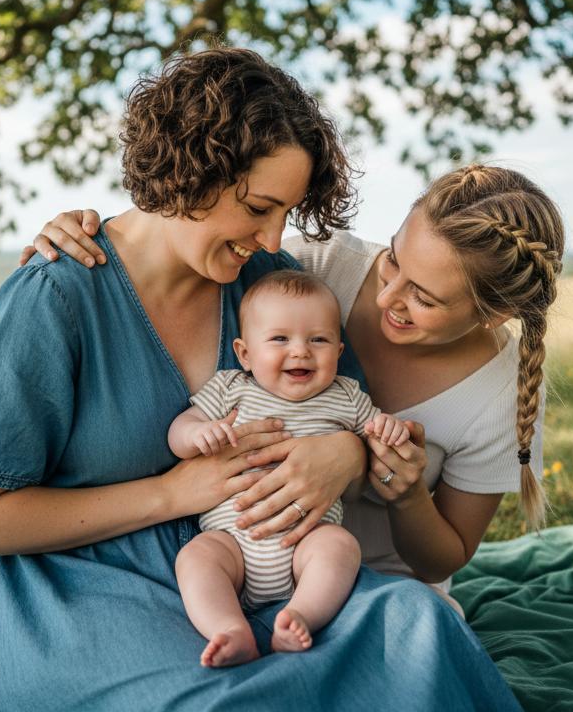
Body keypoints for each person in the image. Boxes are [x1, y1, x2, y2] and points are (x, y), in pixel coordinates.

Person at [0, 47, 521, 711]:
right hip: (80, 599)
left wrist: (347, 451)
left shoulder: (259, 284)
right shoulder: (55, 297)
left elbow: (341, 409)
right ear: (193, 170)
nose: (274, 234)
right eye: (257, 207)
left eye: (287, 213)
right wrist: (170, 494)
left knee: (422, 630)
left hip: (263, 576)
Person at [19, 163, 564, 604]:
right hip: (241, 555)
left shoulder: (498, 395)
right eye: (392, 260)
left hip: (378, 583)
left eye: (423, 298)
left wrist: (407, 498)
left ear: (495, 314)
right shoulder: (315, 268)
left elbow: (445, 556)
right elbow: (185, 252)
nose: (386, 297)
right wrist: (98, 238)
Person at [171, 269, 412, 667]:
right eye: (280, 339)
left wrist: (387, 429)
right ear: (245, 353)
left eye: (318, 339)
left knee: (340, 546)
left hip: (306, 541)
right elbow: (180, 429)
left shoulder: (347, 396)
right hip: (233, 541)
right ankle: (229, 627)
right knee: (195, 558)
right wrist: (197, 435)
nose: (300, 351)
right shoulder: (231, 387)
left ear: (338, 351)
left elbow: (375, 439)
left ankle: (301, 614)